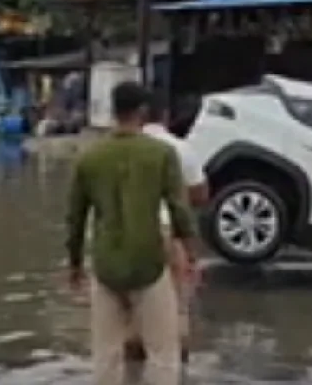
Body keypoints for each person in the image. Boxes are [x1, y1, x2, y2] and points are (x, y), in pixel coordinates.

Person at [65, 81, 197, 385]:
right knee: (163, 353)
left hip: (106, 265)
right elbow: (179, 210)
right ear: (143, 111)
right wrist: (190, 254)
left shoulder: (90, 158)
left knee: (107, 355)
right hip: (148, 262)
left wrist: (75, 264)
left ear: (113, 111)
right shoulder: (161, 154)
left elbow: (75, 219)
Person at [123, 93, 210, 361]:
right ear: (165, 116)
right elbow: (200, 195)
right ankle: (176, 368)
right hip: (169, 234)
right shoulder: (181, 149)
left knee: (131, 310)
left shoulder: (120, 149)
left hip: (126, 235)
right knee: (176, 307)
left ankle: (134, 365)